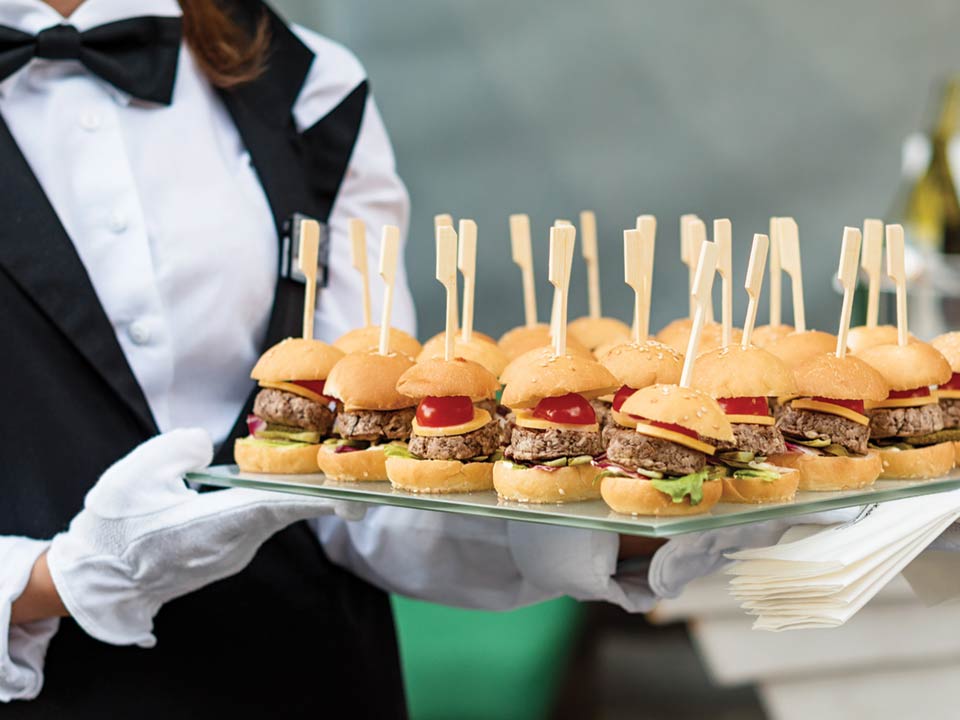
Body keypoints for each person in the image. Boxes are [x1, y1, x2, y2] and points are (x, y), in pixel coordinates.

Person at [0, 0, 854, 715]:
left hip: (301, 677)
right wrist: (55, 579)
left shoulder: (306, 87)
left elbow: (369, 504)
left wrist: (628, 533)